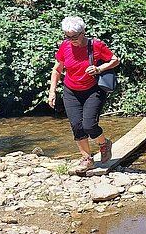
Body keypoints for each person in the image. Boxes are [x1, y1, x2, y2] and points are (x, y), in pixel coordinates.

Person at [47, 16, 120, 173]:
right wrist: (52, 91)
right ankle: (87, 159)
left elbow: (115, 60)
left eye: (74, 37)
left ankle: (104, 144)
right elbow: (57, 69)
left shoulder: (96, 45)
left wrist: (99, 69)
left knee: (89, 125)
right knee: (77, 126)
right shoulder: (65, 46)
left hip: (93, 90)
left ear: (83, 32)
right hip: (71, 91)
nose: (71, 40)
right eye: (67, 36)